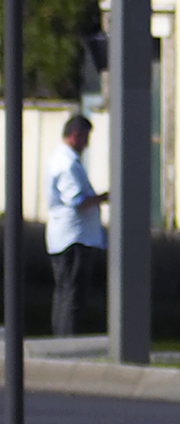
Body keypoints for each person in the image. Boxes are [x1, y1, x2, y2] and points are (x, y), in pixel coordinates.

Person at [46, 115, 107, 337]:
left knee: (64, 291)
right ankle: (66, 339)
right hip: (74, 237)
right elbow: (78, 201)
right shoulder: (68, 164)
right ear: (76, 135)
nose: (87, 144)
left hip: (64, 236)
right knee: (73, 293)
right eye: (85, 137)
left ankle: (60, 337)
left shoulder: (59, 159)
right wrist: (104, 197)